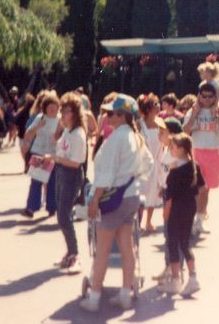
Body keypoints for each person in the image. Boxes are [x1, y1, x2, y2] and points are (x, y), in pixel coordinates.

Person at [80, 95, 154, 312]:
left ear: (123, 116)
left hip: (114, 198)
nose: (107, 116)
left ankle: (94, 298)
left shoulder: (116, 139)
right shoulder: (135, 136)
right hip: (130, 197)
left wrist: (95, 199)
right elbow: (148, 164)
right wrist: (136, 181)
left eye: (111, 113)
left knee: (102, 248)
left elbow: (107, 173)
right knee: (126, 246)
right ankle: (124, 294)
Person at [182, 81, 219, 234]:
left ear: (215, 96)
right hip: (196, 153)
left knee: (206, 190)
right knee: (196, 189)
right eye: (204, 96)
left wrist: (218, 119)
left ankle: (199, 221)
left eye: (210, 96)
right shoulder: (193, 110)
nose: (207, 99)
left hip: (212, 153)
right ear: (199, 96)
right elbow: (184, 131)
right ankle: (191, 220)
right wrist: (194, 115)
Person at [157, 133, 204, 296]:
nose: (171, 149)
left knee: (172, 241)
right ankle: (193, 278)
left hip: (177, 207)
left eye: (173, 147)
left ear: (181, 149)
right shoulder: (194, 165)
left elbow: (169, 194)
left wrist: (166, 211)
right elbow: (201, 187)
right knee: (185, 242)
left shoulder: (175, 168)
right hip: (189, 206)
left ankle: (176, 280)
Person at [49, 93, 87, 274]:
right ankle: (70, 251)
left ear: (75, 113)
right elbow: (62, 154)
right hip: (61, 173)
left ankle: (75, 254)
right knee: (61, 214)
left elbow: (76, 162)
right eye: (61, 110)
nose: (62, 114)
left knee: (64, 215)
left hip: (71, 175)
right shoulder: (67, 131)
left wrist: (56, 158)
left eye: (66, 111)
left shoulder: (78, 134)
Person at [152, 116, 183, 285]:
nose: (158, 134)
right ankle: (169, 267)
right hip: (166, 194)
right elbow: (163, 172)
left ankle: (176, 271)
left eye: (162, 131)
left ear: (171, 135)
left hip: (175, 197)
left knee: (174, 235)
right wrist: (160, 187)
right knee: (168, 234)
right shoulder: (164, 149)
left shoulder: (177, 154)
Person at [22, 93, 60, 218]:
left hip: (53, 154)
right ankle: (31, 208)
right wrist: (38, 126)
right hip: (38, 153)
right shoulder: (40, 118)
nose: (52, 110)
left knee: (52, 182)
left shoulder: (60, 120)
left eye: (54, 107)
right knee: (36, 180)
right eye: (50, 108)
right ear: (45, 108)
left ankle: (52, 207)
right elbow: (28, 134)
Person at [138, 94, 165, 234]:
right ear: (148, 108)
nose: (159, 106)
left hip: (157, 162)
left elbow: (166, 142)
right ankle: (138, 222)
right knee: (142, 192)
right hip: (142, 164)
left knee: (154, 192)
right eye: (155, 104)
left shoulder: (161, 122)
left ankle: (148, 222)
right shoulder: (139, 124)